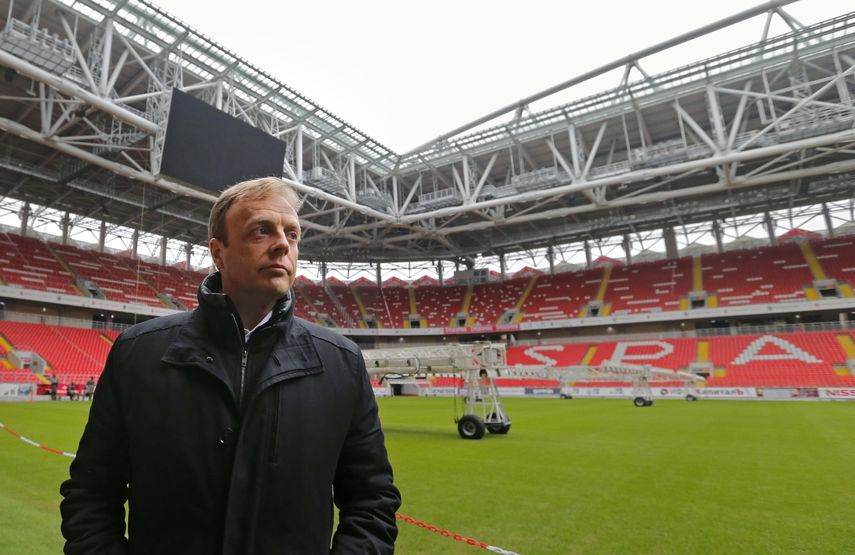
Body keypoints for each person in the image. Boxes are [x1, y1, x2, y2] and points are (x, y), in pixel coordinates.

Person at [60, 177, 401, 554]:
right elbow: (90, 494)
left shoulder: (341, 363)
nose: (282, 245)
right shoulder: (139, 353)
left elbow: (373, 502)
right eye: (261, 231)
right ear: (218, 253)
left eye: (292, 234)